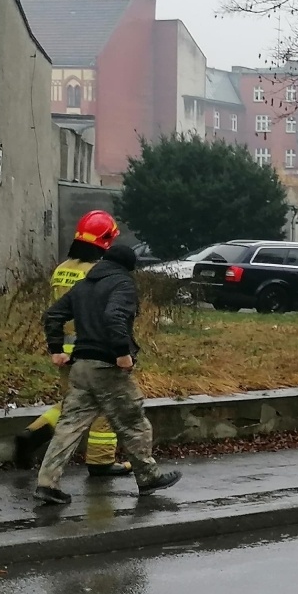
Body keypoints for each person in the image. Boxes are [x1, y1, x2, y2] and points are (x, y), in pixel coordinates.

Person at [33, 241, 182, 507]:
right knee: (133, 420)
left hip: (80, 367)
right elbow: (115, 316)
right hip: (107, 367)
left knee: (69, 426)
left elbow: (53, 315)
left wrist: (56, 349)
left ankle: (47, 483)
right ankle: (148, 477)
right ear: (128, 267)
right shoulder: (122, 284)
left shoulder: (84, 286)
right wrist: (122, 352)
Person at [16, 210, 131, 476]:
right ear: (105, 241)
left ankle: (34, 434)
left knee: (73, 403)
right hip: (93, 348)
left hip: (65, 349)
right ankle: (101, 461)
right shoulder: (99, 272)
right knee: (106, 404)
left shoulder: (63, 269)